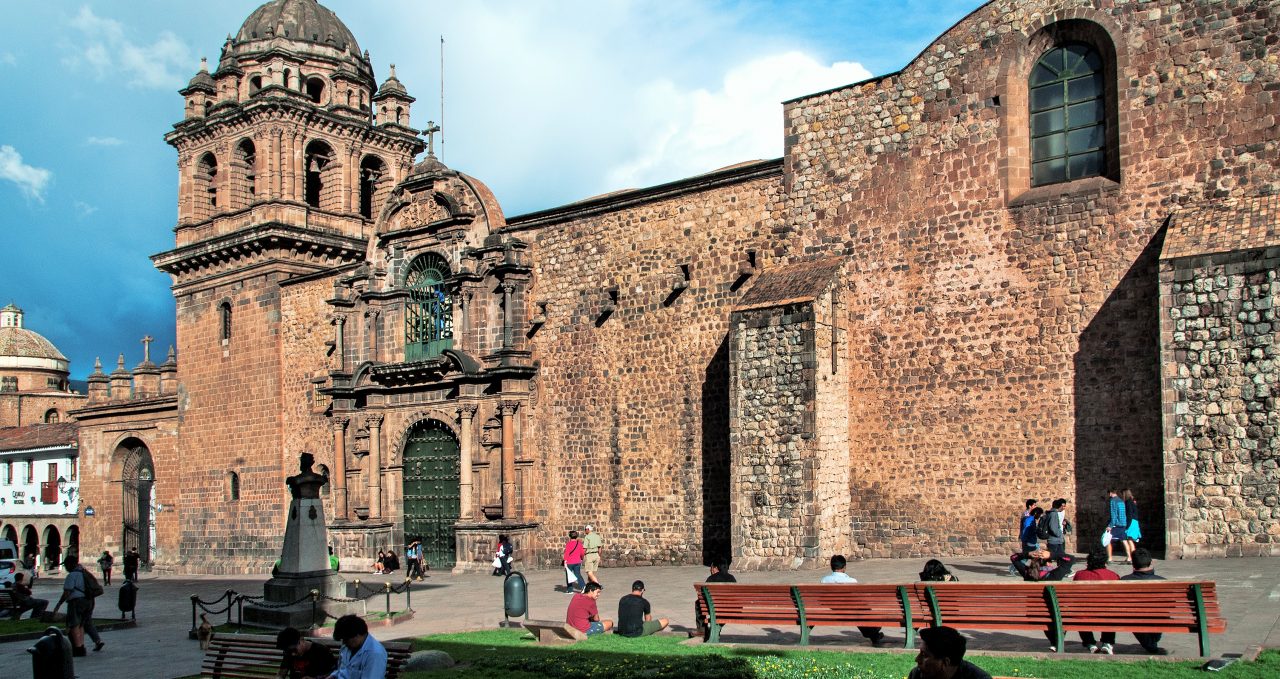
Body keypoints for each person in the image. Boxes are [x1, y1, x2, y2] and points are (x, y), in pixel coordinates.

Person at [821, 554, 886, 645]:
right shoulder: (852, 581)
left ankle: (874, 635)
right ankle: (874, 631)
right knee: (861, 610)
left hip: (834, 610)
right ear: (844, 567)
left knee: (858, 611)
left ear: (832, 567)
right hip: (850, 610)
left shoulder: (824, 580)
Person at [51, 554, 104, 656]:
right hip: (89, 601)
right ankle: (81, 646)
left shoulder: (72, 575)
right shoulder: (85, 573)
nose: (65, 568)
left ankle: (78, 648)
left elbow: (67, 592)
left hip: (76, 601)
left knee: (74, 624)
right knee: (81, 624)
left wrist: (59, 604)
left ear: (70, 564)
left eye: (66, 565)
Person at [1121, 548, 1168, 655]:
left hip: (1134, 616)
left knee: (1132, 617)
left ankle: (1150, 644)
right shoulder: (1163, 581)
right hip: (1158, 617)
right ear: (1151, 562)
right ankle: (1151, 644)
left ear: (1133, 564)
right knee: (1158, 616)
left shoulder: (1124, 580)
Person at [1073, 546, 1120, 653]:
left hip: (1085, 614)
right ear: (1105, 561)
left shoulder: (1080, 575)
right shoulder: (1112, 576)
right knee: (1111, 611)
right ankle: (1107, 642)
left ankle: (1089, 642)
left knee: (1080, 613)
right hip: (1107, 614)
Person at [910, 625, 993, 679]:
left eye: (924, 655)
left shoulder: (979, 677)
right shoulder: (917, 675)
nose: (917, 659)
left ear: (945, 662)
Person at [327, 614, 387, 679]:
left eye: (346, 639)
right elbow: (342, 670)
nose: (344, 643)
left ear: (358, 635)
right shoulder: (347, 646)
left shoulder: (374, 654)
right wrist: (333, 676)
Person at [695, 559, 735, 639]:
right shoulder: (732, 578)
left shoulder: (711, 579)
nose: (710, 570)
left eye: (711, 567)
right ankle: (715, 630)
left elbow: (702, 595)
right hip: (731, 610)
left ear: (716, 568)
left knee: (698, 603)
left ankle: (702, 630)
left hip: (715, 609)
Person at [1105, 490, 1129, 563]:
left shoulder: (1113, 501)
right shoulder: (1121, 501)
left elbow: (1114, 515)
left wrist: (1110, 525)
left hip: (1116, 524)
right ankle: (1129, 557)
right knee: (1124, 540)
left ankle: (1109, 558)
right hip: (1123, 523)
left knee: (1107, 539)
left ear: (1110, 493)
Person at [1121, 488, 1140, 559]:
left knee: (1129, 540)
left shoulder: (1128, 502)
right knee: (1130, 540)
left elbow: (1129, 515)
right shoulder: (1132, 501)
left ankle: (1131, 557)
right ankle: (1132, 557)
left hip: (1131, 522)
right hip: (1134, 522)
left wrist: (1127, 526)